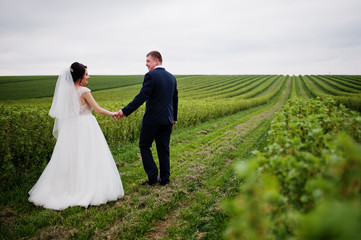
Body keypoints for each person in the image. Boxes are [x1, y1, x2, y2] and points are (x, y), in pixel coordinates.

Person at [28, 62, 124, 210]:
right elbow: (98, 110)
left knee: (70, 157)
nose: (89, 77)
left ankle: (67, 188)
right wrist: (113, 113)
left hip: (70, 128)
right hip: (85, 127)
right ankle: (85, 188)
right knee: (88, 156)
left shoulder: (65, 91)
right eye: (86, 74)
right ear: (79, 77)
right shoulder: (84, 91)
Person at [116, 51, 178, 186]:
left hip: (152, 120)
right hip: (167, 120)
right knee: (163, 149)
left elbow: (142, 97)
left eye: (148, 61)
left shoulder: (150, 76)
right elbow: (175, 99)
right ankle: (165, 180)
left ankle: (152, 177)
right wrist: (174, 117)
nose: (146, 64)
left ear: (157, 61)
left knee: (144, 146)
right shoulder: (171, 77)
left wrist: (125, 111)